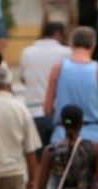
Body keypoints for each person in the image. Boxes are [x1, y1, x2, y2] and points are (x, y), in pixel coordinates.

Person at [44, 26, 98, 148]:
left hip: (63, 133)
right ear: (93, 45)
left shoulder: (58, 68)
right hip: (93, 135)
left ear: (71, 44)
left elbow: (47, 109)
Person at [20, 21, 71, 158]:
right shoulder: (66, 53)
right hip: (58, 114)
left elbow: (23, 79)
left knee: (36, 160)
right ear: (58, 34)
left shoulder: (26, 52)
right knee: (60, 161)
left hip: (34, 112)